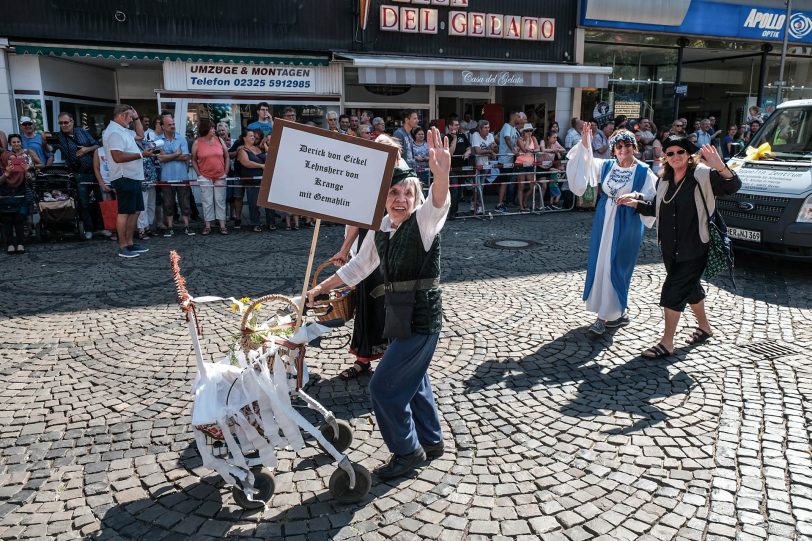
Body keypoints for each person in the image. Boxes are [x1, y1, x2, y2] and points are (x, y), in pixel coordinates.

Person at [306, 127, 451, 479]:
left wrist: (441, 175)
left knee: (383, 387)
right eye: (393, 192)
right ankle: (431, 441)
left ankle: (407, 452)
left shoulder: (424, 222)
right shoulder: (383, 227)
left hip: (421, 320)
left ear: (416, 197)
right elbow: (357, 267)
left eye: (407, 193)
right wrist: (318, 289)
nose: (400, 199)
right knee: (415, 381)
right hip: (398, 317)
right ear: (384, 197)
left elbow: (438, 201)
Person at [619, 136, 741, 358]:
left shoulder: (703, 175)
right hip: (669, 247)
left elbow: (733, 186)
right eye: (671, 153)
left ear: (689, 155)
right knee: (690, 288)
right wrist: (636, 201)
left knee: (673, 291)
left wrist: (720, 166)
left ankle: (667, 343)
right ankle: (704, 328)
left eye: (680, 152)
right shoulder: (663, 180)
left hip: (695, 246)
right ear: (665, 156)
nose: (676, 156)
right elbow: (658, 208)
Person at [565, 124, 658, 336]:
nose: (623, 150)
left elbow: (654, 198)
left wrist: (637, 198)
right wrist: (585, 144)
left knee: (617, 264)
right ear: (613, 149)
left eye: (627, 146)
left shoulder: (643, 171)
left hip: (627, 223)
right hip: (604, 219)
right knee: (601, 263)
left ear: (634, 147)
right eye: (618, 146)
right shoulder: (607, 166)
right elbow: (584, 164)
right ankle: (612, 312)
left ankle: (608, 314)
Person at [102, 104, 153, 258]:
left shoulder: (123, 130)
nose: (132, 120)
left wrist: (137, 117)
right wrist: (141, 155)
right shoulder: (114, 132)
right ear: (122, 115)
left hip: (133, 176)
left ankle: (130, 243)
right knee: (124, 212)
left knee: (135, 211)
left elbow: (140, 135)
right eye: (130, 117)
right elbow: (117, 157)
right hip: (124, 177)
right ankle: (123, 245)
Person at [52, 112, 102, 239]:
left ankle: (102, 227)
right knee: (83, 202)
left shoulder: (81, 131)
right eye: (61, 123)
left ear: (72, 122)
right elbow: (49, 150)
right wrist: (43, 141)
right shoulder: (58, 137)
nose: (63, 125)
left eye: (66, 122)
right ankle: (89, 228)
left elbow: (96, 145)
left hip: (94, 171)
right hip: (79, 173)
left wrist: (86, 149)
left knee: (99, 200)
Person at [0, 134, 40, 254]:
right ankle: (10, 244)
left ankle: (21, 243)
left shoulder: (25, 158)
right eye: (9, 158)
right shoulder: (2, 165)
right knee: (7, 220)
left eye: (18, 141)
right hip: (5, 194)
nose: (11, 159)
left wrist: (27, 171)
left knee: (19, 219)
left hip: (20, 192)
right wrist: (6, 173)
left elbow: (30, 180)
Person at [157, 113, 194, 237]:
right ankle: (170, 227)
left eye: (173, 124)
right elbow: (160, 159)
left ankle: (187, 226)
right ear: (162, 126)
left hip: (182, 176)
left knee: (185, 203)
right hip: (166, 177)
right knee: (168, 203)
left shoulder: (181, 138)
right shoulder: (158, 141)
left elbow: (185, 156)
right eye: (169, 124)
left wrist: (168, 156)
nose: (172, 126)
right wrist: (176, 154)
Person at [192, 119, 229, 235]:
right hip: (205, 176)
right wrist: (199, 174)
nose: (214, 130)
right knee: (207, 201)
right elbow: (193, 159)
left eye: (213, 127)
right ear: (205, 129)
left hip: (220, 175)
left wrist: (226, 172)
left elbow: (227, 156)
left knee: (220, 200)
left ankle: (222, 225)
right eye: (211, 128)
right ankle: (208, 225)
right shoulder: (197, 142)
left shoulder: (219, 140)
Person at [236, 128, 266, 232]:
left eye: (253, 136)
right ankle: (255, 223)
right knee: (253, 203)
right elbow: (246, 163)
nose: (253, 137)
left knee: (266, 202)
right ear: (244, 138)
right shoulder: (242, 150)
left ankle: (271, 222)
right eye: (250, 136)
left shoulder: (259, 148)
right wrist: (261, 166)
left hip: (263, 180)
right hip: (251, 181)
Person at [495, 111, 522, 213]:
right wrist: (513, 150)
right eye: (518, 117)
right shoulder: (506, 126)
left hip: (510, 159)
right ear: (513, 117)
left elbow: (517, 141)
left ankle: (503, 202)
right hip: (504, 159)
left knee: (506, 181)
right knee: (504, 182)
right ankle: (499, 203)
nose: (519, 119)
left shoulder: (514, 129)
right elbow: (507, 139)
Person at [469, 119, 497, 215]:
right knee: (478, 186)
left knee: (481, 186)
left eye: (488, 127)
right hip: (475, 164)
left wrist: (492, 149)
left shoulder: (490, 136)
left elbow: (495, 148)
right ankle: (479, 206)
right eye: (485, 128)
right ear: (480, 129)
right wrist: (489, 151)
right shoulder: (475, 135)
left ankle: (474, 203)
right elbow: (478, 151)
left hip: (485, 164)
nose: (488, 129)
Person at [446, 117, 472, 218]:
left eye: (458, 125)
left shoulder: (463, 135)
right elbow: (450, 153)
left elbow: (469, 147)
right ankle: (451, 213)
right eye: (456, 125)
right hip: (451, 168)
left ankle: (455, 210)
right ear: (450, 126)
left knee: (459, 191)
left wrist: (467, 153)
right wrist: (455, 139)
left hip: (462, 167)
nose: (458, 127)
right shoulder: (447, 137)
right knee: (454, 189)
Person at [93, 145, 116, 241]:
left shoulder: (116, 149)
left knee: (120, 208)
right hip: (105, 182)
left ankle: (121, 230)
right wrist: (102, 184)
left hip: (117, 182)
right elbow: (96, 168)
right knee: (108, 208)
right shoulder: (98, 151)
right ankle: (112, 230)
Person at [515, 123, 539, 212]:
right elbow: (524, 149)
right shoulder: (520, 139)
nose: (529, 132)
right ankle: (521, 206)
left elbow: (538, 149)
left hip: (530, 164)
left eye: (530, 131)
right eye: (527, 131)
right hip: (521, 163)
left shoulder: (534, 138)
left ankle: (524, 200)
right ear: (523, 132)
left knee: (533, 186)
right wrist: (528, 140)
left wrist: (531, 150)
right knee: (521, 186)